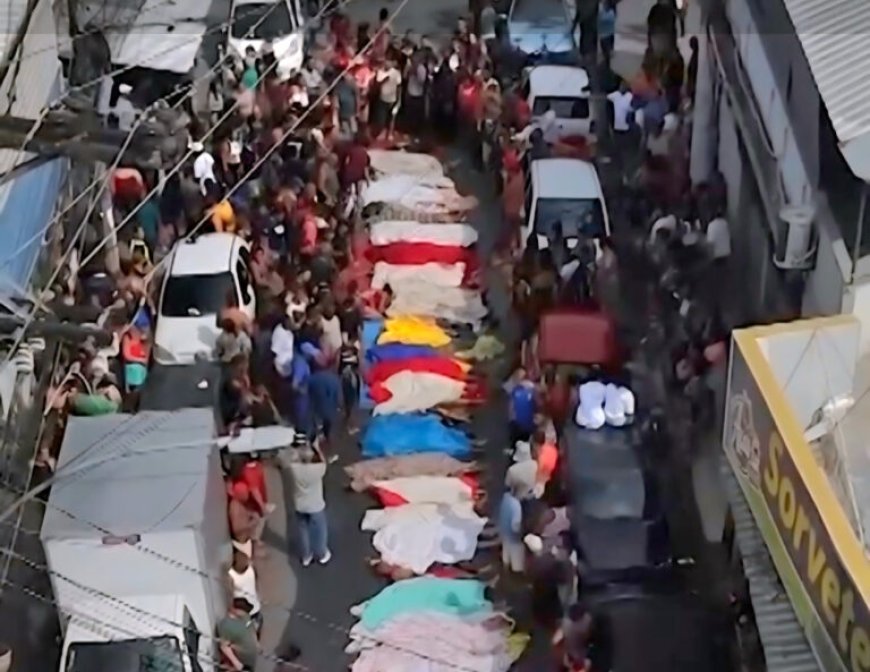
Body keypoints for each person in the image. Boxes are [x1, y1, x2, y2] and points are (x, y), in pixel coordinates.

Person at [287, 438, 331, 566]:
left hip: (300, 505)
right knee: (320, 531)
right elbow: (323, 460)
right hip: (316, 505)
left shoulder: (294, 469)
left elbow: (291, 457)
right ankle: (321, 553)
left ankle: (306, 556)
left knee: (302, 531)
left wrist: (296, 450)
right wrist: (316, 447)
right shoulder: (318, 469)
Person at [217, 598, 260, 671]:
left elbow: (252, 628)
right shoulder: (226, 625)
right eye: (244, 610)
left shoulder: (246, 617)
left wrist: (256, 644)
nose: (247, 612)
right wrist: (238, 665)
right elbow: (224, 646)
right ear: (235, 610)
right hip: (239, 663)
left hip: (249, 663)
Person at [227, 551, 262, 633]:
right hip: (255, 606)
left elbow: (230, 592)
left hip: (241, 609)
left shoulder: (231, 575)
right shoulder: (251, 570)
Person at [497, 481, 525, 573]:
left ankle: (504, 575)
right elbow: (515, 525)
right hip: (514, 539)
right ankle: (515, 578)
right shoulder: (516, 505)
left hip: (503, 534)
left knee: (506, 559)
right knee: (517, 566)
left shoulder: (504, 499)